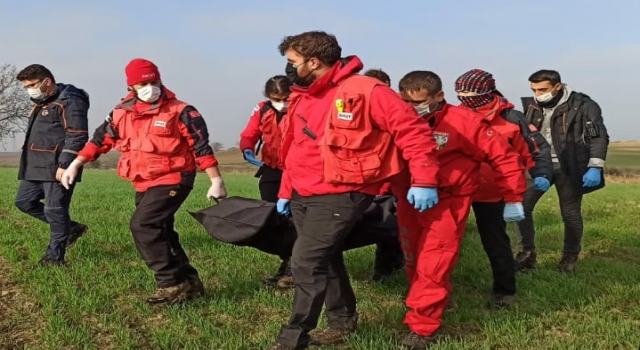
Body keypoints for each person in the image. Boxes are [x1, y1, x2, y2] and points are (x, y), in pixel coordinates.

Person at [267, 31, 440, 350]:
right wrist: (285, 190)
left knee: (305, 262)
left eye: (292, 61)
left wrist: (424, 179)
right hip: (304, 193)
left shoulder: (367, 91)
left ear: (313, 61)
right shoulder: (304, 95)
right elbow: (298, 148)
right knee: (326, 258)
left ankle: (293, 338)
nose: (289, 68)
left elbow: (413, 132)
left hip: (344, 192)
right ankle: (343, 321)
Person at [60, 58, 228, 304]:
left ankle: (171, 282)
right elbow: (99, 141)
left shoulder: (181, 111)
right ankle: (190, 283)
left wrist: (216, 180)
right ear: (131, 87)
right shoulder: (119, 113)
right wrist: (76, 163)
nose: (150, 87)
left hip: (174, 178)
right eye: (143, 83)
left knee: (144, 225)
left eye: (154, 81)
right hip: (143, 181)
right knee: (162, 231)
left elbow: (200, 146)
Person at [396, 70, 526, 349]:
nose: (412, 109)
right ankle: (435, 299)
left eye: (418, 103)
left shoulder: (463, 122)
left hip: (448, 201)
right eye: (406, 102)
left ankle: (423, 326)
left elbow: (503, 157)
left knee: (434, 261)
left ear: (439, 96)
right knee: (413, 257)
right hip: (408, 198)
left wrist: (514, 196)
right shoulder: (398, 117)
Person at [455, 69, 553, 308]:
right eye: (458, 91)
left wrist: (541, 173)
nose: (462, 96)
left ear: (485, 91)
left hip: (492, 191)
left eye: (467, 91)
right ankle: (442, 291)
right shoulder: (455, 116)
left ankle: (505, 292)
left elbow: (535, 148)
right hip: (458, 190)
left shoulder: (512, 118)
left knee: (496, 242)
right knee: (445, 242)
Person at [514, 69, 609, 273]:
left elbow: (598, 136)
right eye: (534, 90)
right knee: (521, 207)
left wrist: (595, 166)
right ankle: (526, 254)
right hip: (538, 166)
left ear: (558, 86)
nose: (538, 94)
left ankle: (569, 256)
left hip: (569, 166)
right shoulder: (530, 106)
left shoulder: (584, 105)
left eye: (542, 89)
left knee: (570, 213)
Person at [14, 64, 90, 267]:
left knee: (55, 210)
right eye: (26, 86)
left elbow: (77, 135)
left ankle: (55, 257)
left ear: (47, 81)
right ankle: (71, 228)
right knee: (24, 202)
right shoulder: (42, 102)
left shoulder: (71, 101)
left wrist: (65, 165)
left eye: (32, 84)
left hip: (57, 167)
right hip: (35, 167)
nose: (29, 89)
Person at [239, 75, 294, 289]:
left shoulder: (304, 108)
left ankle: (295, 268)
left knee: (297, 220)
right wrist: (246, 147)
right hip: (272, 169)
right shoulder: (262, 109)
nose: (281, 103)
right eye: (275, 98)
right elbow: (250, 133)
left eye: (285, 98)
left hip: (299, 171)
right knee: (273, 219)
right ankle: (287, 262)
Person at [362, 68, 405, 281]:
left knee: (393, 226)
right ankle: (385, 269)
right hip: (371, 179)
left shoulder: (401, 108)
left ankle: (390, 268)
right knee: (383, 226)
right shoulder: (358, 108)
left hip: (396, 178)